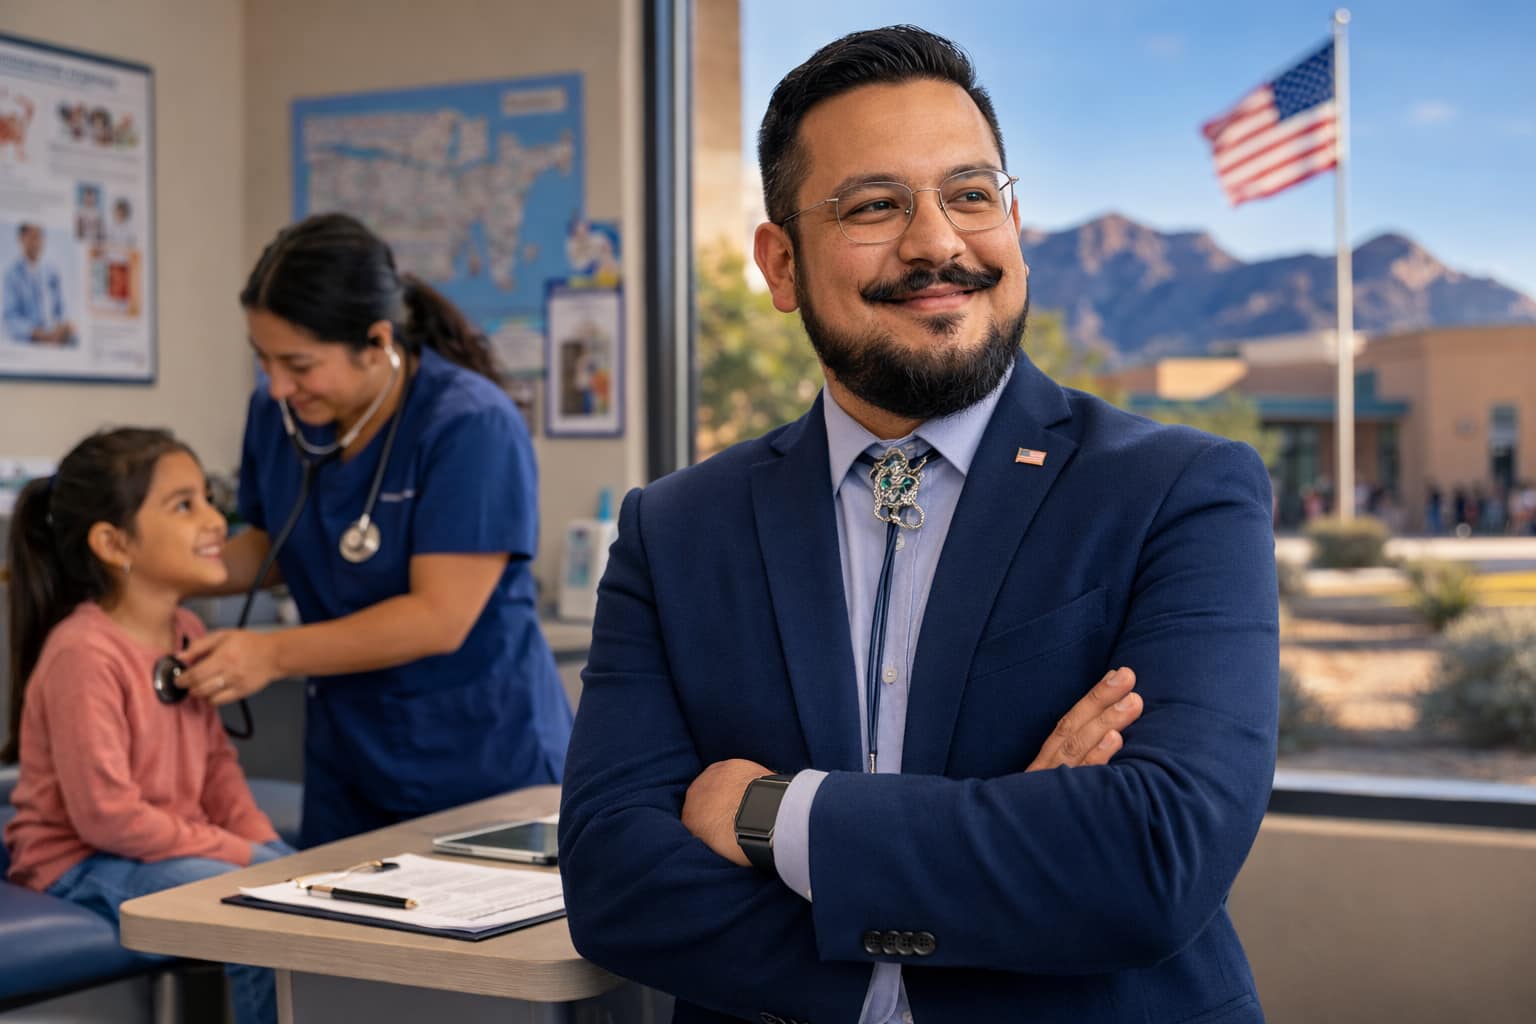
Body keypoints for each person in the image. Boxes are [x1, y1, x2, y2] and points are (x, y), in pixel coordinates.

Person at [559, 26, 1278, 1024]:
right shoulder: (676, 530)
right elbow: (615, 886)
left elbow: (1153, 857)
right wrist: (1005, 870)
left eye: (971, 195)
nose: (938, 242)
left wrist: (772, 813)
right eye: (875, 206)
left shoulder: (1181, 491)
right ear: (781, 265)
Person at [174, 213, 572, 847]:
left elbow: (439, 616)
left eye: (299, 364)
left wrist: (269, 654)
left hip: (482, 757)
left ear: (376, 339)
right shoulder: (277, 415)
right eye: (264, 359)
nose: (277, 385)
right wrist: (157, 569)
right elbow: (275, 547)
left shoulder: (469, 424)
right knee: (342, 938)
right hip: (350, 758)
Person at [3, 429, 292, 1024]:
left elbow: (217, 770)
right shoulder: (84, 653)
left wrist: (270, 850)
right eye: (185, 505)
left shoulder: (186, 629)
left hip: (160, 844)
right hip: (80, 862)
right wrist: (244, 856)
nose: (215, 520)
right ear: (113, 543)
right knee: (258, 912)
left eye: (208, 498)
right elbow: (107, 816)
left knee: (305, 890)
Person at [3, 223, 75, 344]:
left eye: (40, 237)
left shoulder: (52, 271)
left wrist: (63, 325)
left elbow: (61, 308)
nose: (37, 242)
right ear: (21, 239)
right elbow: (11, 319)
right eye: (33, 237)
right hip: (29, 341)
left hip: (54, 339)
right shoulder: (11, 275)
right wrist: (35, 333)